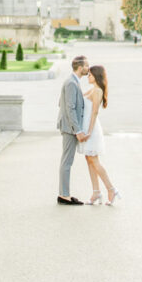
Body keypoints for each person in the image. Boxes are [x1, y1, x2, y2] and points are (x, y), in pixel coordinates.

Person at [78, 65, 121, 205]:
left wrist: (89, 131)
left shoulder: (97, 91)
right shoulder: (93, 89)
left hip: (92, 128)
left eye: (90, 74)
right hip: (86, 126)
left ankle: (111, 189)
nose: (88, 77)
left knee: (94, 160)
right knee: (88, 159)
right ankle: (96, 192)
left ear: (96, 76)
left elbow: (94, 112)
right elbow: (80, 96)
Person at [57, 55, 89, 205]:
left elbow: (61, 103)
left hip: (70, 127)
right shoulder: (71, 83)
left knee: (67, 161)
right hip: (70, 129)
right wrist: (77, 130)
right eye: (87, 66)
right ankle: (64, 195)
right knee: (67, 162)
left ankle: (65, 193)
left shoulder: (73, 82)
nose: (88, 69)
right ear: (80, 67)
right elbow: (70, 108)